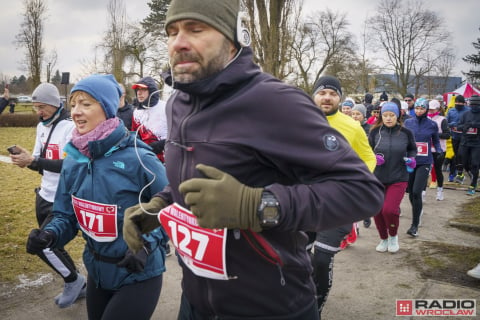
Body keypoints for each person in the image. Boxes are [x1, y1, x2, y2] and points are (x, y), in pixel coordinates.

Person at [123, 1, 384, 319]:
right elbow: (201, 179)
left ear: (232, 40)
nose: (179, 42)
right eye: (172, 31)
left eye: (196, 29)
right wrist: (163, 204)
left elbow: (362, 191)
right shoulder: (178, 103)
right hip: (194, 302)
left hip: (272, 306)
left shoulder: (276, 102)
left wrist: (257, 205)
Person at [25, 74, 169, 320]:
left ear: (107, 108)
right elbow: (65, 215)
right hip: (97, 272)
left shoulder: (139, 158)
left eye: (86, 104)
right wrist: (50, 234)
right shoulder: (74, 158)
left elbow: (172, 209)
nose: (76, 112)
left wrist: (145, 244)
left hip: (138, 274)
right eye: (73, 105)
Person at [9, 83, 84, 308]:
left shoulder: (70, 128)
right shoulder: (41, 127)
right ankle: (78, 284)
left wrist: (35, 161)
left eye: (42, 107)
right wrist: (25, 160)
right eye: (35, 108)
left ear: (55, 104)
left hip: (63, 199)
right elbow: (38, 163)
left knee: (43, 245)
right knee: (53, 245)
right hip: (43, 194)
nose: (39, 112)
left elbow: (71, 164)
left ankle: (73, 280)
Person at [310, 75, 376, 316]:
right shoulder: (298, 121)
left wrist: (355, 181)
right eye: (322, 92)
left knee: (322, 259)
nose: (327, 97)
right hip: (304, 201)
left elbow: (368, 158)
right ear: (314, 95)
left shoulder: (352, 126)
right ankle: (303, 298)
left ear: (339, 98)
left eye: (333, 93)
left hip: (338, 204)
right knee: (301, 259)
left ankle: (314, 310)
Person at [369, 102, 417, 253]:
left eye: (392, 115)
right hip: (377, 177)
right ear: (381, 116)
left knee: (389, 210)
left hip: (399, 177)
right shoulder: (375, 132)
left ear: (398, 116)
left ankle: (393, 236)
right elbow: (367, 151)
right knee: (377, 210)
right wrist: (373, 158)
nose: (388, 118)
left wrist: (411, 159)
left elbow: (412, 149)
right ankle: (383, 238)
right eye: (385, 115)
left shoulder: (406, 133)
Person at [404, 98, 443, 237]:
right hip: (411, 161)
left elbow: (436, 141)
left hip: (425, 161)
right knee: (410, 192)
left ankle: (414, 226)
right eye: (417, 108)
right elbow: (403, 140)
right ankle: (417, 211)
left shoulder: (432, 125)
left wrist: (438, 151)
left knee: (416, 191)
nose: (419, 111)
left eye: (422, 108)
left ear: (426, 109)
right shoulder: (408, 123)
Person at [131, 76, 168, 163]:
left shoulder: (166, 107)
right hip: (145, 158)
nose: (139, 93)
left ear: (151, 91)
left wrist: (162, 144)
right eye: (137, 90)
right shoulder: (136, 112)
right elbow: (135, 135)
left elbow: (179, 134)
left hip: (167, 159)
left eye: (143, 89)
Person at [427, 99, 450, 200]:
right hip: (427, 149)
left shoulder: (442, 119)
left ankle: (440, 191)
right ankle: (423, 193)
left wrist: (435, 135)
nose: (430, 111)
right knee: (425, 171)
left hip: (439, 150)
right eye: (429, 109)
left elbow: (447, 135)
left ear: (437, 109)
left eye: (432, 109)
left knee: (437, 170)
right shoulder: (426, 118)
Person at [457, 95, 480, 195]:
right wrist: (464, 127)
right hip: (465, 141)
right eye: (472, 104)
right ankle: (472, 175)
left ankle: (473, 185)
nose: (474, 106)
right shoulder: (465, 114)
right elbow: (459, 126)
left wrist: (475, 125)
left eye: (476, 104)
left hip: (477, 143)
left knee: (475, 163)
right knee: (464, 162)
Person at [446, 95, 471, 184]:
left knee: (463, 155)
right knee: (456, 156)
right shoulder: (451, 111)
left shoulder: (468, 110)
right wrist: (452, 124)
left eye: (460, 103)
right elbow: (446, 123)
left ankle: (465, 172)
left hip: (465, 137)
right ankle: (456, 173)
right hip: (454, 137)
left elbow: (470, 122)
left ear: (464, 103)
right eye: (456, 103)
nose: (458, 104)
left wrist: (461, 126)